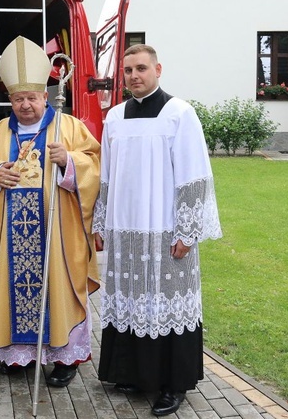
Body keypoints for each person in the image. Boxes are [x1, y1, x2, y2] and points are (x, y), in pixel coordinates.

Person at [91, 44, 222, 416]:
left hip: (165, 229)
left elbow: (194, 175)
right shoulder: (114, 117)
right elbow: (106, 176)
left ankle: (173, 384)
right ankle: (133, 373)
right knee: (132, 300)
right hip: (125, 229)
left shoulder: (179, 114)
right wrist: (100, 222)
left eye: (141, 68)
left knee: (165, 301)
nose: (134, 76)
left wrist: (188, 231)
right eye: (128, 70)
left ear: (158, 69)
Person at [0, 36, 101, 387]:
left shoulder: (68, 128)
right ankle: (19, 356)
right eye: (18, 98)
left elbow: (94, 164)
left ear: (45, 96)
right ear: (9, 100)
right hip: (8, 234)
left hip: (56, 232)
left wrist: (70, 161)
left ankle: (63, 358)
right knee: (12, 284)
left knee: (58, 286)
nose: (25, 105)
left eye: (32, 97)